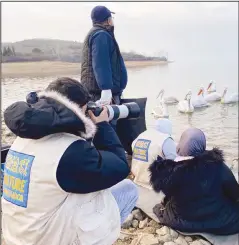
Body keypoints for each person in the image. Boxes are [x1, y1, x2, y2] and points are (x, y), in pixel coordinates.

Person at [2, 77, 138, 245]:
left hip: (17, 235)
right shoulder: (68, 152)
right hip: (45, 239)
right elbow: (120, 166)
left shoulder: (22, 139)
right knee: (128, 189)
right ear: (79, 109)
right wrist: (102, 126)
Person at [150, 127, 239, 235]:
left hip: (184, 219)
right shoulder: (217, 165)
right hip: (218, 220)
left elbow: (168, 193)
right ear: (203, 145)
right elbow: (234, 192)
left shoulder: (170, 172)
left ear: (180, 145)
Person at [130, 118, 177, 221]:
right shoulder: (165, 140)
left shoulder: (141, 136)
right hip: (154, 186)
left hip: (138, 180)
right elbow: (174, 162)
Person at [81, 5, 128, 106]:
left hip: (101, 93)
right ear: (107, 20)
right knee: (104, 121)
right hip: (101, 95)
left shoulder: (97, 33)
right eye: (111, 18)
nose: (112, 20)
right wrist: (106, 89)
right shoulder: (101, 35)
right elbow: (101, 63)